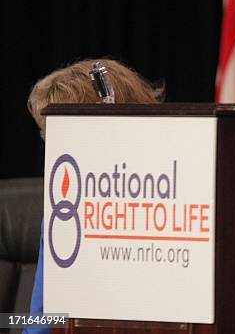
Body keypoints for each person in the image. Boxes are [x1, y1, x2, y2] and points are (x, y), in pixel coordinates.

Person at [25, 58, 164, 332]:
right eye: (49, 135)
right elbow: (40, 321)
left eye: (68, 135)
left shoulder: (167, 211)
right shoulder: (63, 216)